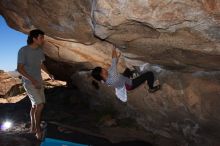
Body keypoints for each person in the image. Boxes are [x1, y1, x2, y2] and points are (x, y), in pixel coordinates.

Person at [17, 29, 53, 140]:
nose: (43, 40)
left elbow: (41, 64)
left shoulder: (39, 51)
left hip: (39, 81)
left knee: (34, 105)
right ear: (34, 38)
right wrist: (32, 79)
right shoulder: (23, 50)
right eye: (41, 37)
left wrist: (49, 73)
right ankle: (38, 130)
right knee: (40, 105)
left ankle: (33, 127)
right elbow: (20, 68)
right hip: (29, 82)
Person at [91, 46, 160, 102]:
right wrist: (113, 48)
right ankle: (151, 88)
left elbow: (114, 62)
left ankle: (133, 74)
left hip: (122, 81)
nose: (104, 68)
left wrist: (117, 58)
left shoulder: (103, 80)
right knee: (149, 74)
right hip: (129, 84)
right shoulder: (113, 74)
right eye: (102, 69)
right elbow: (114, 60)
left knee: (128, 70)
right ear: (102, 74)